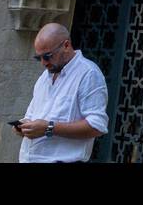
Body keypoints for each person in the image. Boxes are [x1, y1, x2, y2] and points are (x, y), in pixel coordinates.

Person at [14, 22, 109, 163]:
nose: (43, 63)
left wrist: (49, 128)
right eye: (38, 58)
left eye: (47, 56)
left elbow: (97, 125)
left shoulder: (88, 73)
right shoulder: (44, 78)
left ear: (66, 45)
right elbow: (32, 116)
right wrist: (25, 127)